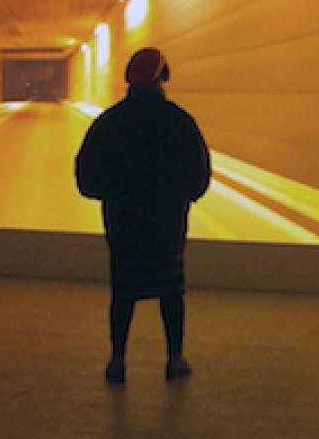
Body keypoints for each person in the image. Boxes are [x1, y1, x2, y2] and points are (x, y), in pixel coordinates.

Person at [75, 47, 211, 384]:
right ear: (162, 79)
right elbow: (199, 175)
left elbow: (86, 177)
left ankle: (117, 360)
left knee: (123, 291)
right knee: (171, 290)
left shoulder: (108, 123)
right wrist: (182, 196)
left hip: (123, 222)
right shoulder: (179, 121)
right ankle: (174, 358)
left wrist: (112, 193)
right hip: (166, 223)